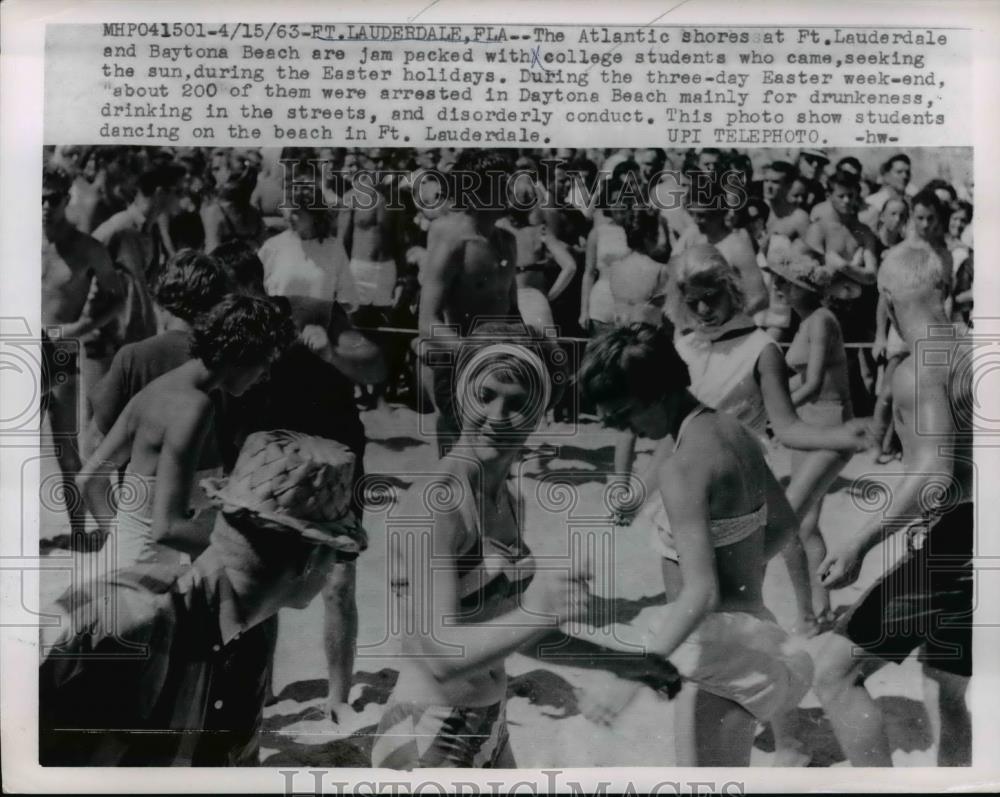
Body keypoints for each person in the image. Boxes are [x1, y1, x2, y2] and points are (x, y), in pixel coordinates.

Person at [371, 324, 619, 768]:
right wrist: (539, 611)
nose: (498, 416)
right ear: (463, 392)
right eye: (486, 396)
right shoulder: (439, 502)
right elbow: (443, 655)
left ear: (541, 412)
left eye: (518, 403)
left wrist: (626, 663)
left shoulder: (508, 496)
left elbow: (506, 632)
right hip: (427, 731)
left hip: (489, 724)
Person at [39, 430, 355, 766]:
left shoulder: (254, 632)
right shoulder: (113, 617)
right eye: (337, 553)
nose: (336, 566)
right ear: (310, 561)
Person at [577, 324, 813, 766]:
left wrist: (632, 673)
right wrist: (736, 566)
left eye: (625, 414)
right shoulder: (734, 430)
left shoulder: (682, 467)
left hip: (714, 659)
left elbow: (700, 591)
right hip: (749, 635)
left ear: (661, 390)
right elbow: (782, 525)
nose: (623, 429)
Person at [814, 242, 973, 767]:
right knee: (950, 689)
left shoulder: (920, 363)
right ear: (944, 287)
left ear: (884, 296)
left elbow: (934, 472)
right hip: (981, 540)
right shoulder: (971, 347)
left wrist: (861, 542)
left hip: (952, 547)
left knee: (836, 671)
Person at [76, 294, 296, 568]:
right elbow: (167, 529)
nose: (266, 376)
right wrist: (254, 550)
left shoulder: (157, 390)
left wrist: (120, 544)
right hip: (149, 581)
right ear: (244, 354)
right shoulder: (195, 406)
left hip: (123, 567)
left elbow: (89, 481)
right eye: (266, 363)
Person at [764, 249, 855, 634]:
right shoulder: (805, 322)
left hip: (830, 423)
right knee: (803, 524)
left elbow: (814, 382)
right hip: (811, 423)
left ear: (804, 288)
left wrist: (775, 412)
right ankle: (816, 611)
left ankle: (812, 613)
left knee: (793, 522)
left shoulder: (820, 321)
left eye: (786, 282)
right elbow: (800, 383)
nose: (778, 287)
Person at [82, 249, 231, 463]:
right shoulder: (226, 359)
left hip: (142, 490)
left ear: (160, 301)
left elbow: (94, 446)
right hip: (210, 488)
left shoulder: (133, 357)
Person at [417, 150, 519, 455]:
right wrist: (476, 354)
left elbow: (512, 310)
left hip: (500, 365)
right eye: (503, 185)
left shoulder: (508, 241)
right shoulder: (453, 243)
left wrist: (525, 351)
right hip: (459, 366)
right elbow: (427, 322)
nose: (512, 192)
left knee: (497, 463)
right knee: (460, 462)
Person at [41, 163, 124, 539]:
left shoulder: (86, 248)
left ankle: (78, 530)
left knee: (65, 445)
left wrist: (79, 329)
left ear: (66, 199)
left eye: (53, 199)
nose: (44, 206)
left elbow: (116, 298)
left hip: (58, 349)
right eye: (38, 199)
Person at [496, 173, 578, 333]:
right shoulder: (540, 231)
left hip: (503, 300)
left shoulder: (499, 230)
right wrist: (549, 296)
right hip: (534, 300)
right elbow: (570, 266)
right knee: (544, 353)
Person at [258, 184, 361, 309]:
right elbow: (256, 295)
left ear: (314, 214)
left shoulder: (334, 249)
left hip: (319, 326)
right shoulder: (272, 247)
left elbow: (349, 300)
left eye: (296, 212)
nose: (288, 216)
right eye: (287, 210)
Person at [201, 148, 266, 252]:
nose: (218, 174)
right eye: (215, 169)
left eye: (220, 169)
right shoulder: (254, 213)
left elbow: (211, 254)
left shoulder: (214, 213)